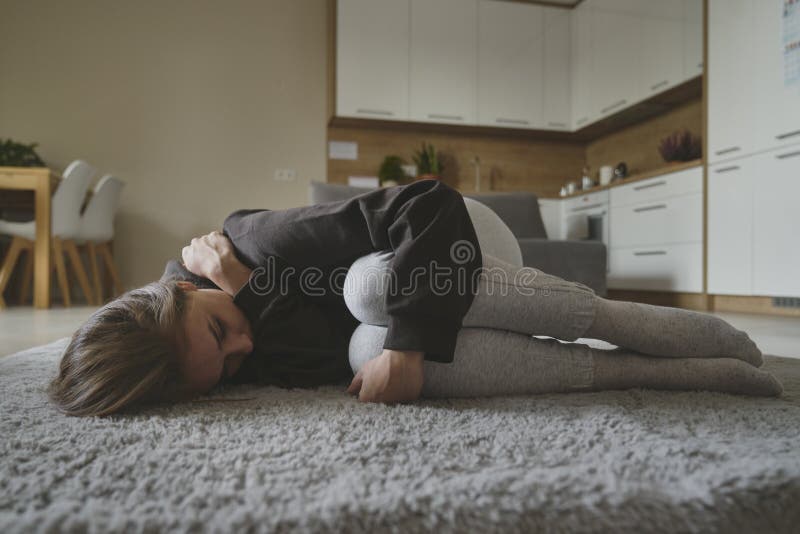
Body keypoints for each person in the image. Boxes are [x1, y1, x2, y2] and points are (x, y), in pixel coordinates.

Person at [48, 180, 783, 417]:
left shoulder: (254, 244)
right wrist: (391, 349)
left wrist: (406, 344)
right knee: (362, 349)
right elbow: (313, 359)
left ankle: (675, 333)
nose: (247, 349)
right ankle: (658, 374)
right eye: (233, 368)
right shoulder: (225, 334)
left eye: (220, 331)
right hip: (441, 311)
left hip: (466, 244)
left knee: (374, 293)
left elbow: (430, 206)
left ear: (183, 288)